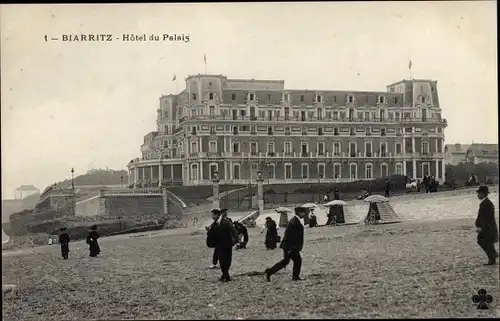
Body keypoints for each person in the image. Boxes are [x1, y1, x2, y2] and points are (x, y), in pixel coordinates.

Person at [265, 206, 306, 282]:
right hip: (290, 246)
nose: (304, 214)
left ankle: (270, 271)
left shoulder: (295, 220)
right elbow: (291, 236)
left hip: (289, 246)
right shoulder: (295, 222)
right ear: (299, 213)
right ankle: (295, 277)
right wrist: (292, 248)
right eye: (303, 212)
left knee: (286, 261)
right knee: (297, 260)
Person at [475, 186, 499, 265]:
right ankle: (492, 257)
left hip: (487, 227)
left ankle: (493, 257)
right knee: (486, 242)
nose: (478, 195)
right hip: (487, 227)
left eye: (479, 193)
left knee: (483, 241)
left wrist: (481, 227)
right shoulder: (485, 203)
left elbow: (487, 218)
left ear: (483, 194)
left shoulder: (487, 204)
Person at [214, 209, 239, 282]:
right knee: (222, 261)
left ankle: (225, 276)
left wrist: (236, 241)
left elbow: (234, 231)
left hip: (227, 244)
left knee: (227, 261)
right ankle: (225, 276)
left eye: (213, 215)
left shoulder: (227, 222)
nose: (212, 217)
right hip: (219, 245)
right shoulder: (215, 223)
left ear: (218, 215)